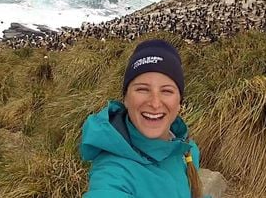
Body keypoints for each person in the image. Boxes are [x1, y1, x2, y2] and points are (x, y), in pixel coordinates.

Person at [80, 39, 207, 198]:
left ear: (179, 103)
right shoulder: (114, 173)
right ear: (125, 98)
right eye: (142, 89)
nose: (154, 103)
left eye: (166, 91)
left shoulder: (185, 150)